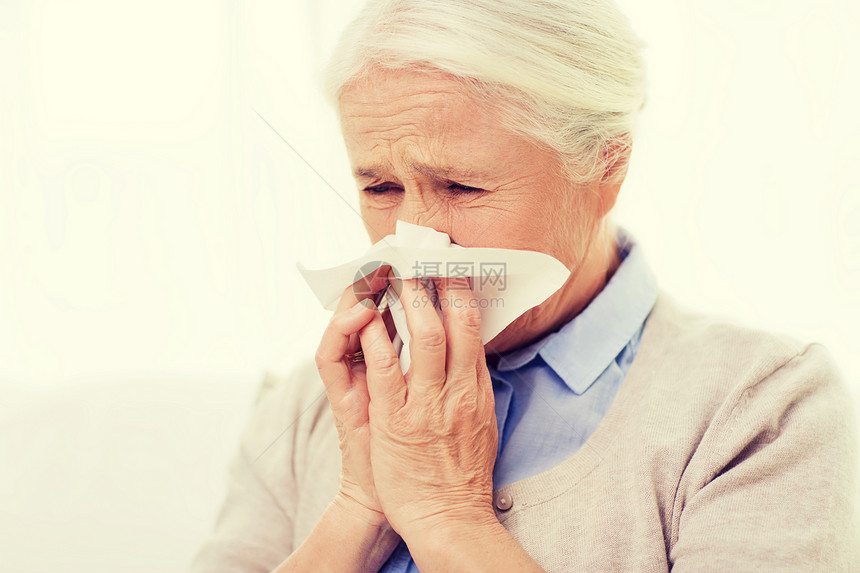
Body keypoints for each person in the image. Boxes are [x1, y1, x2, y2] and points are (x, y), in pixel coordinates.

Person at [189, 1, 858, 571]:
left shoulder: (759, 409)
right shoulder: (307, 406)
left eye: (462, 186)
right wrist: (359, 506)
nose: (418, 240)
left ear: (605, 165)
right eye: (380, 187)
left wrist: (450, 518)